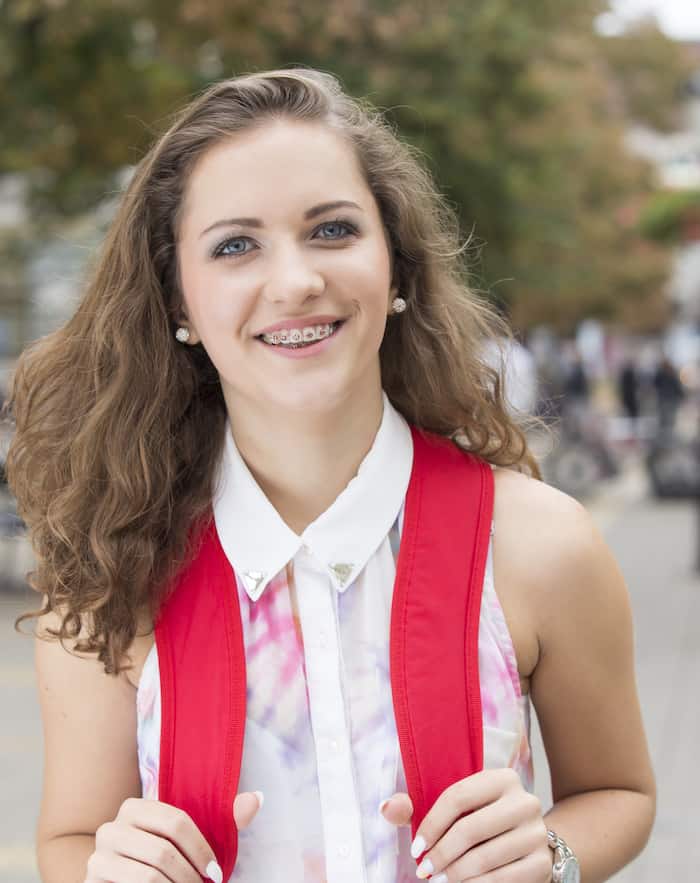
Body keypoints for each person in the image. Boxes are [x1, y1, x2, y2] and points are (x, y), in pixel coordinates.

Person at [5, 68, 654, 883]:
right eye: (236, 245)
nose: (296, 281)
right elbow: (69, 840)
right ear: (177, 300)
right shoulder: (109, 573)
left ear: (398, 270)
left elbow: (618, 791)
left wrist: (552, 855)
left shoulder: (539, 544)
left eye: (333, 230)